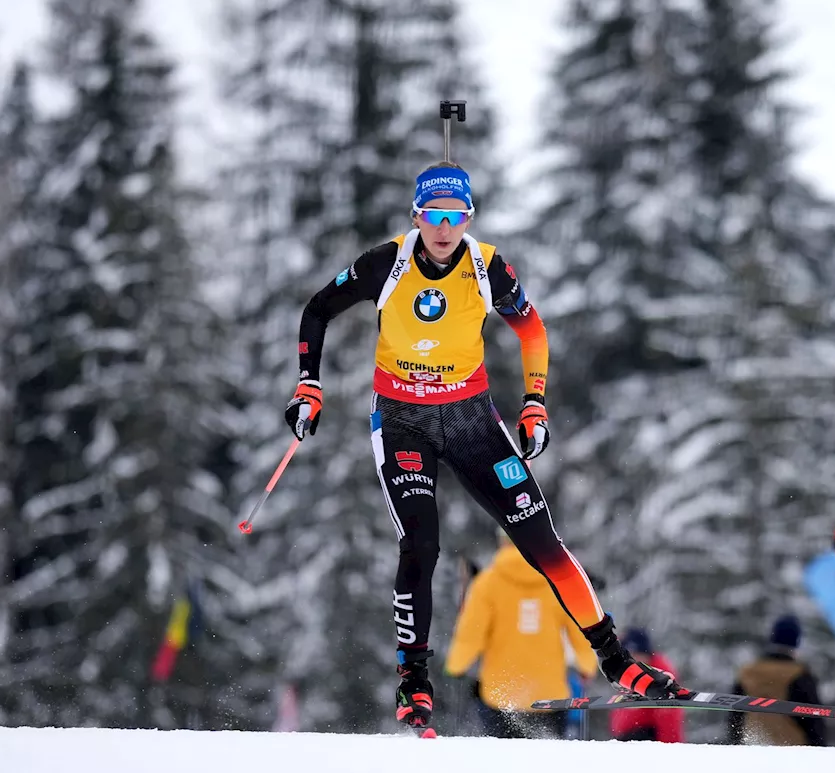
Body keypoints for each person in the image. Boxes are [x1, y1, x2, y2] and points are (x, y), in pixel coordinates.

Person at [285, 161, 691, 731]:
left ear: (469, 218)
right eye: (433, 216)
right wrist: (309, 383)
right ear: (417, 216)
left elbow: (532, 330)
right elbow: (317, 309)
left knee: (541, 540)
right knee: (422, 544)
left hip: (472, 419)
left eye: (456, 216)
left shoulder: (487, 267)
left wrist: (534, 403)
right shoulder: (387, 264)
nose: (444, 228)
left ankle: (617, 661)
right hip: (403, 421)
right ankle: (413, 681)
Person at [444, 531, 598, 739]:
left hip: (501, 698)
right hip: (549, 698)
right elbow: (580, 630)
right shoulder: (556, 581)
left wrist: (455, 667)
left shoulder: (487, 583)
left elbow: (470, 635)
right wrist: (587, 666)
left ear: (502, 542)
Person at [726, 615, 825, 746]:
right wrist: (819, 748)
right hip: (792, 747)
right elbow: (812, 718)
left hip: (751, 744)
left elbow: (735, 716)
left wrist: (734, 743)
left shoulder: (747, 672)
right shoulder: (798, 674)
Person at [609, 629, 684, 743]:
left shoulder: (658, 676)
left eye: (635, 654)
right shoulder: (630, 674)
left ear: (645, 653)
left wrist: (669, 748)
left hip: (646, 739)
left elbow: (669, 716)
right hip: (627, 738)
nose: (632, 659)